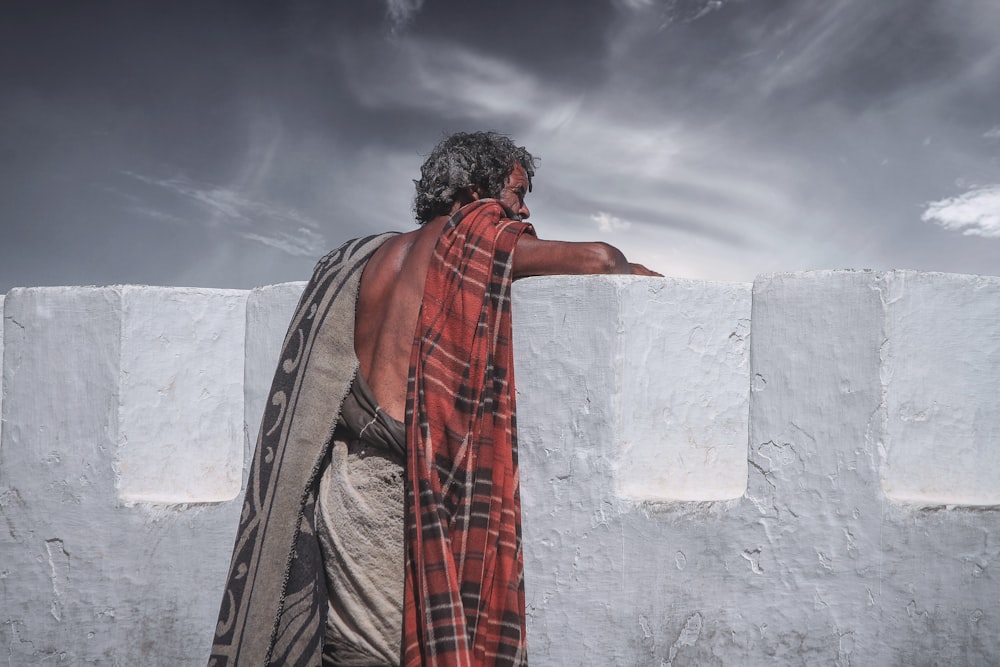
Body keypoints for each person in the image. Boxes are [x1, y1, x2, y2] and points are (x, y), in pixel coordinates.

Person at [209, 132, 660, 667]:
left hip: (345, 485)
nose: (523, 208)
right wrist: (629, 270)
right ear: (473, 191)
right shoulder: (469, 237)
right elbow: (600, 259)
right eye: (517, 192)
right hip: (398, 500)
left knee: (351, 652)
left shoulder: (366, 259)